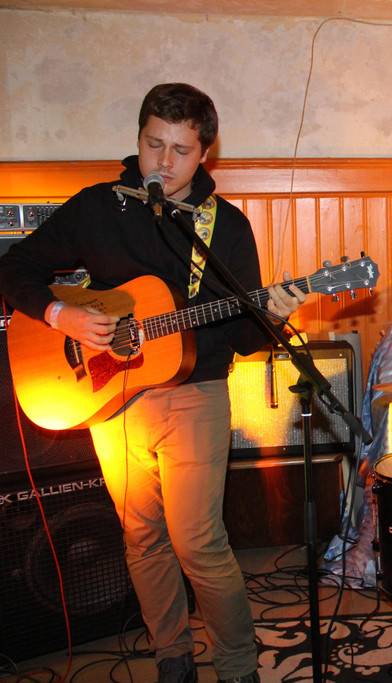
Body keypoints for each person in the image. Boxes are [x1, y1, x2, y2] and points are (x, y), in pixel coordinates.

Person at [0, 83, 305, 683]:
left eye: (181, 150)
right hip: (111, 395)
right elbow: (13, 267)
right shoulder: (98, 207)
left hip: (195, 392)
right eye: (153, 144)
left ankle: (237, 667)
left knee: (198, 541)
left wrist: (273, 314)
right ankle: (173, 655)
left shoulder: (225, 227)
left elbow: (245, 339)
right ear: (138, 138)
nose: (163, 162)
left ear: (205, 154)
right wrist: (61, 315)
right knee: (140, 536)